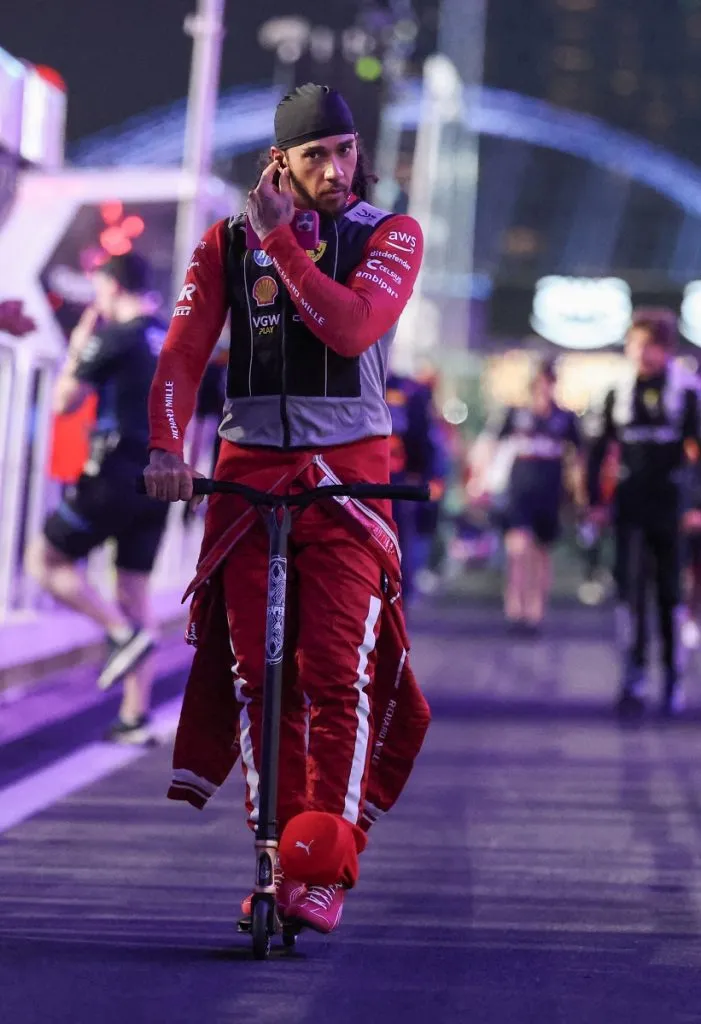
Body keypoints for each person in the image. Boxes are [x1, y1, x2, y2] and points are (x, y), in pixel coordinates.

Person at [144, 83, 429, 935]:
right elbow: (183, 351)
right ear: (280, 162)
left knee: (333, 675)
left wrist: (283, 241)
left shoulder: (389, 234)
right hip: (246, 485)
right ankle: (276, 857)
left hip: (348, 490)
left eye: (345, 150)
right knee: (257, 679)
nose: (336, 169)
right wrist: (166, 448)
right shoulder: (224, 244)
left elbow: (349, 329)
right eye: (315, 156)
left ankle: (324, 863)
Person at [26, 253, 169, 742]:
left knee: (44, 561)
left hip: (113, 474)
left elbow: (65, 400)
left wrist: (79, 347)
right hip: (161, 479)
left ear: (111, 286)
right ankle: (134, 715)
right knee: (135, 590)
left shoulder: (115, 336)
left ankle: (118, 633)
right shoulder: (169, 336)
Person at [587, 308, 701, 716]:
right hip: (629, 505)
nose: (640, 353)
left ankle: (672, 679)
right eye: (635, 344)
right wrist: (595, 503)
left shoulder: (687, 391)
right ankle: (633, 677)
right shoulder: (616, 390)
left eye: (649, 345)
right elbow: (596, 450)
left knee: (669, 594)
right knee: (630, 593)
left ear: (666, 348)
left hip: (672, 507)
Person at [470, 358, 585, 633]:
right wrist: (478, 481)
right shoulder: (515, 414)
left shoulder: (564, 418)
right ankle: (515, 609)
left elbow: (578, 457)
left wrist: (580, 494)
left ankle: (535, 611)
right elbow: (489, 444)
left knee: (541, 553)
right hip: (519, 489)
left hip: (550, 491)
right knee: (518, 550)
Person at [385, 370, 441, 605]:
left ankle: (398, 605)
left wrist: (421, 474)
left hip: (397, 484)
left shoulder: (406, 390)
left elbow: (422, 438)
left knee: (400, 548)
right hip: (363, 480)